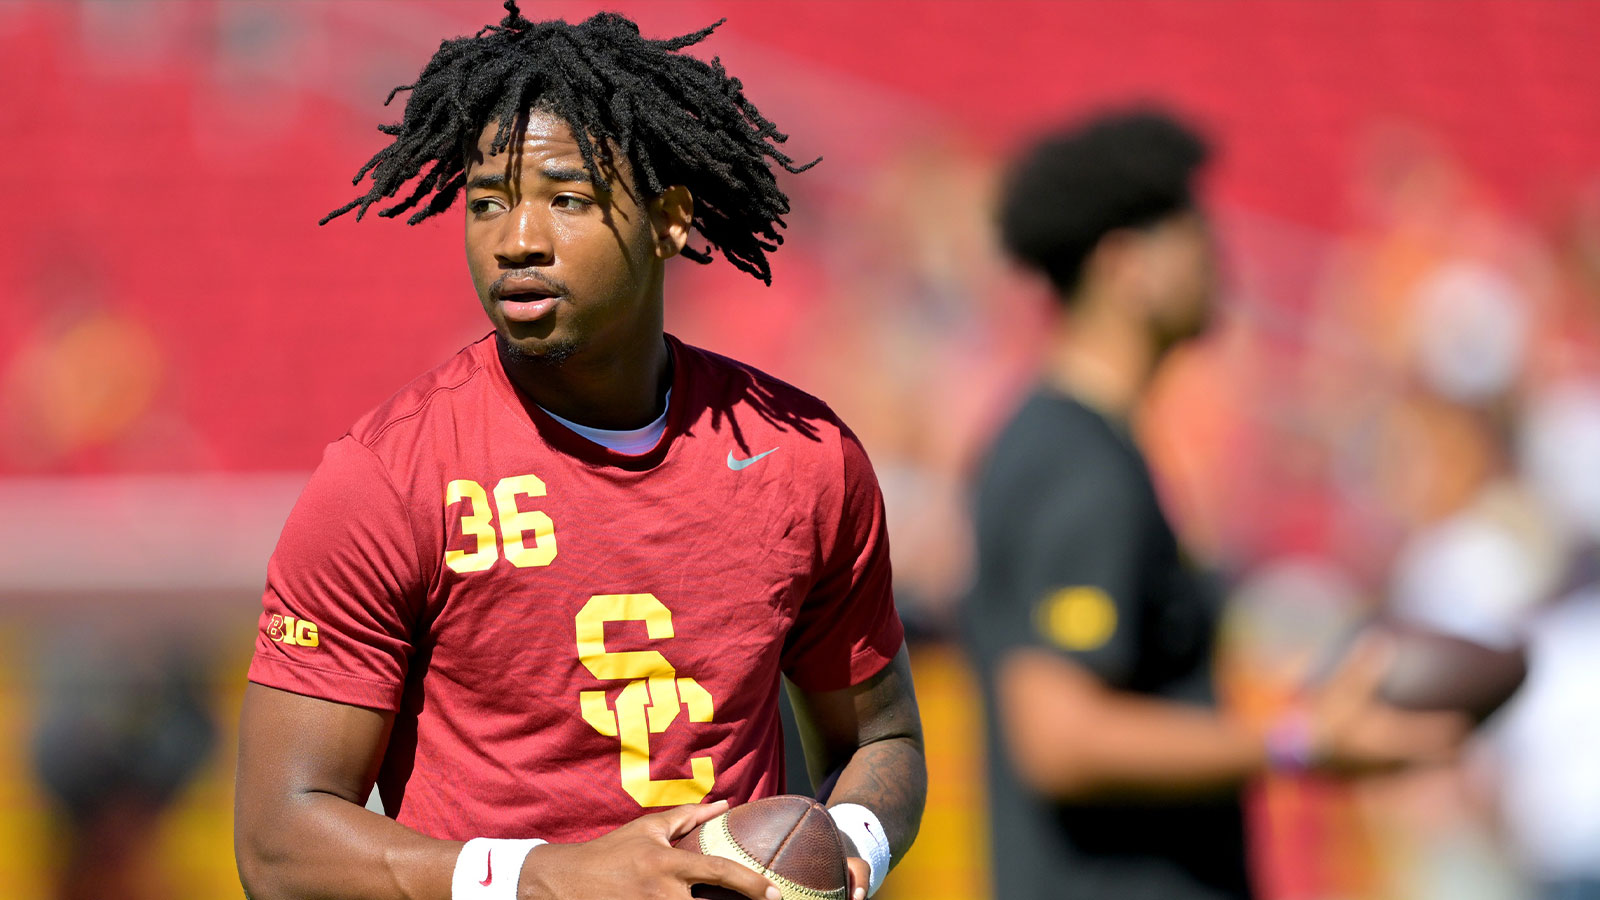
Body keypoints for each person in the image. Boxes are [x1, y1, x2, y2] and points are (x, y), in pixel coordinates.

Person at [233, 6, 926, 900]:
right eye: (487, 202)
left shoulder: (804, 456)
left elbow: (881, 741)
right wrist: (548, 876)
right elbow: (278, 842)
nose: (515, 240)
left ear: (670, 218)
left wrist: (845, 851)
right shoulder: (385, 481)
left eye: (565, 198)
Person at [961, 109, 1467, 900]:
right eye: (1193, 232)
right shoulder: (1077, 465)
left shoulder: (1073, 445)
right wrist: (1300, 742)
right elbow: (1058, 734)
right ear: (1127, 265)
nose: (1217, 259)